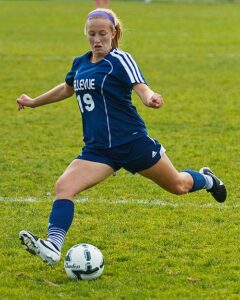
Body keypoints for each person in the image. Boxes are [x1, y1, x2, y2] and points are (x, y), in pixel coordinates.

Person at [17, 8, 227, 266]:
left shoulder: (120, 60)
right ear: (86, 34)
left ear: (113, 33)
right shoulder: (80, 63)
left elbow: (141, 86)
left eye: (102, 34)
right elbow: (66, 88)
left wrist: (150, 98)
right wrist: (33, 102)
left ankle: (206, 179)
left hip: (131, 142)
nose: (97, 40)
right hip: (98, 149)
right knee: (64, 187)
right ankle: (53, 246)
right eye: (92, 34)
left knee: (178, 186)